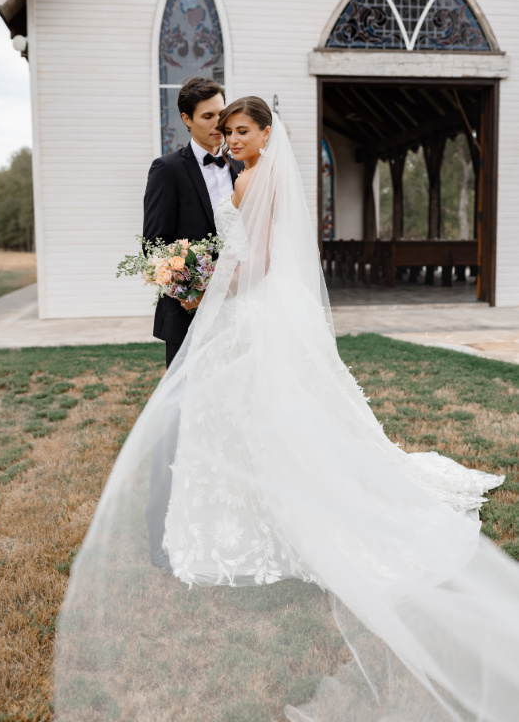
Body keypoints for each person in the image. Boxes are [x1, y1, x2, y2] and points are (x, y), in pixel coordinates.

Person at [55, 97, 519, 722]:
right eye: (227, 129)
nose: (232, 137)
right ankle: (246, 512)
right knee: (233, 417)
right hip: (249, 306)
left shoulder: (252, 178)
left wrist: (211, 285)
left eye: (242, 130)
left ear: (266, 134)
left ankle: (285, 512)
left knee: (262, 412)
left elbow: (261, 258)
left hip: (253, 308)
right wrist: (196, 276)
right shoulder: (238, 174)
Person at [142, 77, 242, 568]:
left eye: (221, 115)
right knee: (180, 420)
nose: (218, 126)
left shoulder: (243, 166)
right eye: (207, 117)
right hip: (189, 319)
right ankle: (162, 528)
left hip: (239, 317)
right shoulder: (167, 170)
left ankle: (226, 517)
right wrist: (196, 286)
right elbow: (154, 249)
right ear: (186, 118)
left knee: (232, 417)